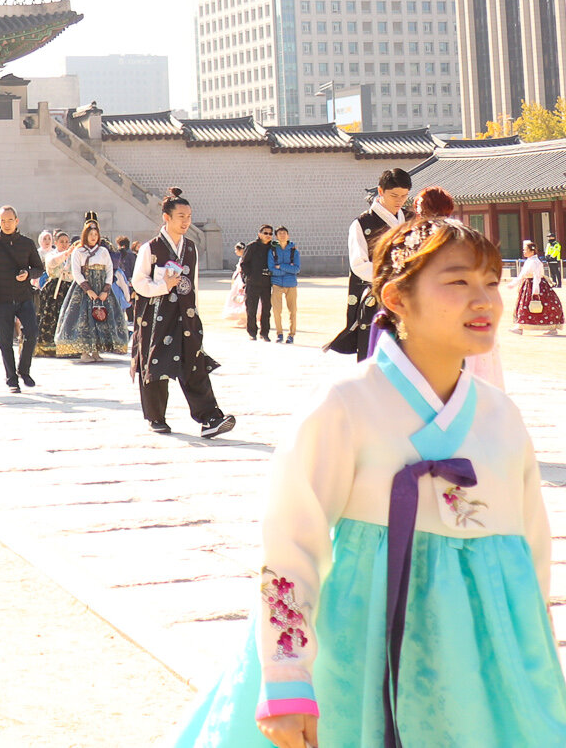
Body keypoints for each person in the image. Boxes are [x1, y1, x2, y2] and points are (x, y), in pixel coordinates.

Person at [169, 185, 566, 747]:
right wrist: (287, 676)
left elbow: (531, 554)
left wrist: (535, 663)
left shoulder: (501, 417)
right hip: (355, 651)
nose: (484, 301)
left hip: (480, 665)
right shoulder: (345, 403)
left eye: (490, 283)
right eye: (458, 283)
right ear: (397, 298)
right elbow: (292, 541)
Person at [131, 189, 235, 438]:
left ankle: (210, 418)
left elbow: (193, 284)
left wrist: (195, 313)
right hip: (156, 317)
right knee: (155, 365)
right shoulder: (151, 248)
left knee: (194, 365)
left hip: (185, 316)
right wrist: (162, 286)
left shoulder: (190, 248)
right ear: (166, 217)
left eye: (189, 216)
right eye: (181, 216)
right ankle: (156, 417)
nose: (186, 221)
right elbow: (138, 282)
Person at [331, 166, 410, 360]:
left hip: (408, 296)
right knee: (374, 356)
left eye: (404, 196)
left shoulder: (410, 220)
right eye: (394, 195)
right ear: (380, 191)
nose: (399, 201)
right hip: (377, 296)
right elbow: (359, 265)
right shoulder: (362, 224)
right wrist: (394, 277)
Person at [0, 209, 43, 392]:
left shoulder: (27, 243)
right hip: (2, 299)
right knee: (5, 340)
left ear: (16, 221)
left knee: (32, 332)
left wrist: (28, 274)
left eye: (10, 220)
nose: (6, 224)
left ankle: (23, 370)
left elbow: (39, 268)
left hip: (24, 297)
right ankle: (11, 379)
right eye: (3, 220)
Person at [54, 217, 128, 363]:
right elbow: (76, 272)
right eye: (90, 235)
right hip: (83, 289)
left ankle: (96, 350)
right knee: (83, 319)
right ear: (85, 235)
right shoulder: (79, 251)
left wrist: (106, 289)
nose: (93, 237)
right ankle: (84, 352)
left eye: (95, 235)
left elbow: (109, 270)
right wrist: (88, 290)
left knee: (101, 317)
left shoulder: (103, 251)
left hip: (101, 288)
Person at [512, 239, 562, 335]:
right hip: (528, 284)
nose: (524, 252)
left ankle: (552, 328)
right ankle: (519, 327)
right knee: (524, 306)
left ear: (532, 251)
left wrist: (535, 290)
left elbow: (536, 276)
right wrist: (514, 283)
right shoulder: (529, 261)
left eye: (525, 250)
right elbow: (522, 275)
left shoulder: (535, 262)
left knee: (544, 306)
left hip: (537, 285)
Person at [241, 224, 276, 342]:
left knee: (266, 309)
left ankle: (265, 333)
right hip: (253, 283)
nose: (268, 236)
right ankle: (252, 332)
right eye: (265, 233)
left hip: (267, 284)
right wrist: (249, 276)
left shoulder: (273, 248)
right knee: (251, 309)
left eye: (270, 233)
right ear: (259, 234)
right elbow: (244, 263)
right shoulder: (252, 247)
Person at [266, 226, 301, 344]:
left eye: (284, 233)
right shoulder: (272, 251)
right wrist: (287, 269)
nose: (282, 235)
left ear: (288, 235)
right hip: (277, 284)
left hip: (291, 284)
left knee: (293, 311)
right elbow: (271, 268)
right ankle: (279, 333)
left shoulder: (294, 251)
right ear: (276, 236)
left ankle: (291, 335)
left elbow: (296, 269)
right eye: (280, 233)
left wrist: (280, 266)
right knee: (276, 311)